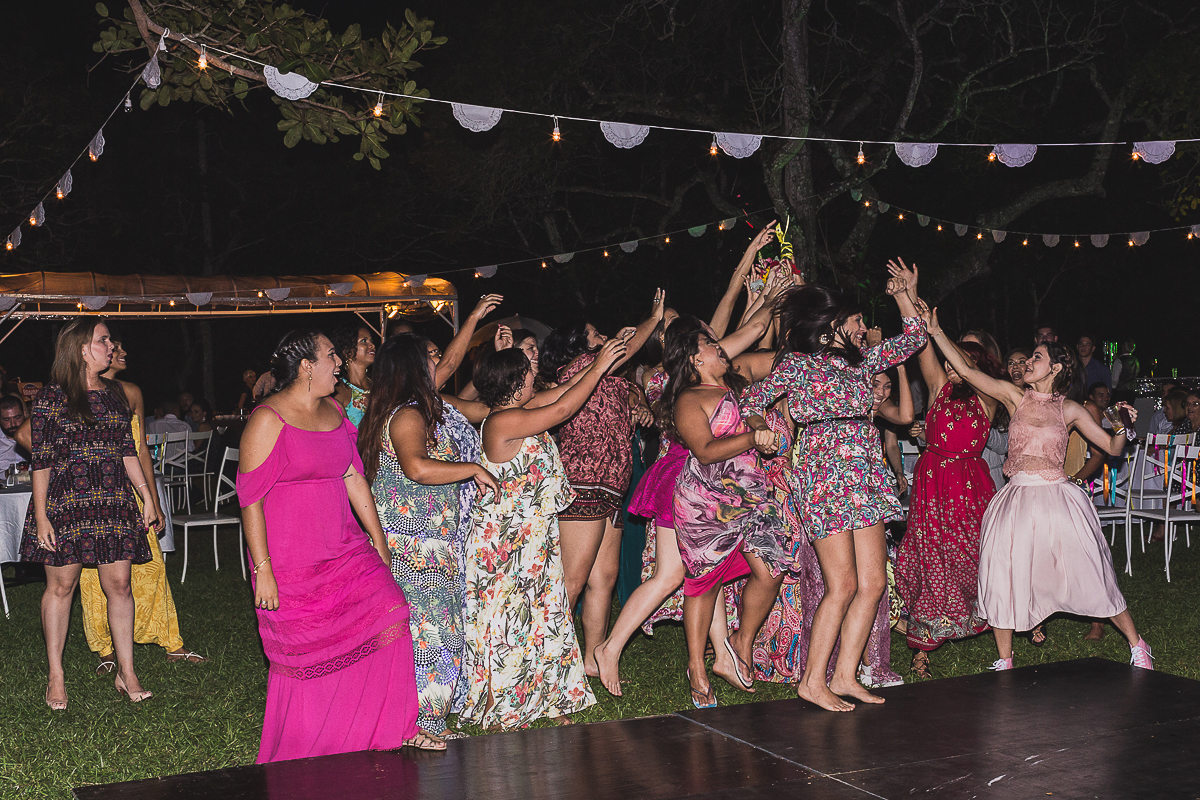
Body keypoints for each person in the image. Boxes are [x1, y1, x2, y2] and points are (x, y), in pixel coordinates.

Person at [237, 329, 439, 761]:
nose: (340, 364)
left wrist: (379, 542)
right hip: (292, 560)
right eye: (332, 356)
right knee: (309, 657)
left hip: (345, 548)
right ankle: (316, 745)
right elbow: (250, 499)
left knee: (392, 614)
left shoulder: (333, 411)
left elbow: (353, 477)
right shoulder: (267, 419)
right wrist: (263, 568)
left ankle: (394, 725)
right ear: (308, 366)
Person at [740, 258, 926, 712]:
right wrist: (759, 424)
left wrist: (903, 294)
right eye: (858, 320)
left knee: (874, 583)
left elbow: (916, 339)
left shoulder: (862, 366)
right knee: (841, 584)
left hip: (866, 477)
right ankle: (812, 681)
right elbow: (750, 398)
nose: (864, 328)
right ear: (833, 325)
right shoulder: (796, 366)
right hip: (824, 479)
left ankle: (845, 675)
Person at [594, 268, 789, 697]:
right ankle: (614, 650)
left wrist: (755, 288)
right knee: (675, 575)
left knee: (694, 573)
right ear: (686, 348)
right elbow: (751, 328)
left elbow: (741, 330)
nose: (713, 338)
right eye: (701, 336)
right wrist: (753, 284)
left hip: (703, 479)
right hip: (686, 478)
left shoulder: (695, 373)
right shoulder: (671, 383)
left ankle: (719, 654)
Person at [924, 319, 1153, 672]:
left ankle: (1138, 645)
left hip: (1057, 500)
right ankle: (1004, 659)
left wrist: (1123, 425)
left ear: (1056, 367)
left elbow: (1110, 446)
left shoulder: (1071, 409)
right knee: (1001, 572)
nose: (1028, 362)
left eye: (1036, 357)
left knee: (1091, 572)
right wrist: (936, 332)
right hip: (1015, 498)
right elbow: (969, 372)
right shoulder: (1015, 396)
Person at [460, 339, 628, 729]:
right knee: (509, 622)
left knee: (543, 617)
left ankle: (545, 698)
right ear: (517, 384)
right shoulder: (502, 421)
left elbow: (567, 393)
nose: (538, 377)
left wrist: (597, 367)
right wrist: (601, 362)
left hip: (533, 539)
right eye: (531, 375)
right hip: (505, 542)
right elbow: (566, 408)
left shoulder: (520, 410)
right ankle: (505, 704)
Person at [359, 333, 498, 740]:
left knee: (436, 630)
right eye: (433, 355)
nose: (441, 361)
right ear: (413, 368)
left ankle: (426, 721)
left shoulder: (416, 410)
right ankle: (420, 723)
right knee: (430, 633)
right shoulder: (407, 415)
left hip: (432, 543)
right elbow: (416, 467)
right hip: (415, 548)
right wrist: (471, 470)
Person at [18, 318, 160, 709]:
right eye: (103, 340)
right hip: (68, 505)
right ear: (82, 348)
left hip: (113, 502)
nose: (111, 346)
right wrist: (43, 515)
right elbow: (42, 460)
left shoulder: (116, 392)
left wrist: (146, 494)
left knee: (120, 587)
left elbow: (127, 449)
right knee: (60, 588)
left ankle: (126, 672)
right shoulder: (52, 397)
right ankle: (56, 676)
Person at [660, 316, 788, 707]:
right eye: (710, 344)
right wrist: (751, 437)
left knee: (772, 568)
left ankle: (740, 642)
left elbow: (756, 408)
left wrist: (761, 431)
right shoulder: (688, 399)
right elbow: (705, 451)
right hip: (706, 501)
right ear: (694, 359)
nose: (720, 347)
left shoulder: (738, 386)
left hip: (750, 493)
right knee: (704, 583)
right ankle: (697, 666)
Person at [537, 290, 665, 677]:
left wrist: (639, 404)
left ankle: (591, 659)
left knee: (603, 579)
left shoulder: (610, 375)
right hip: (585, 482)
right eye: (594, 334)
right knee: (571, 582)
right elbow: (625, 350)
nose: (603, 338)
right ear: (576, 344)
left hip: (612, 486)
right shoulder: (579, 368)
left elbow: (626, 381)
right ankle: (549, 667)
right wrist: (654, 316)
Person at [80, 336, 205, 672]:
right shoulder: (76, 391)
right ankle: (104, 647)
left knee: (150, 566)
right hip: (94, 496)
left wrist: (155, 500)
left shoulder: (131, 392)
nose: (119, 352)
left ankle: (169, 639)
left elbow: (141, 450)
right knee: (94, 574)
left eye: (119, 346)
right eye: (112, 346)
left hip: (132, 494)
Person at [895, 335, 1000, 679]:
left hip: (970, 483)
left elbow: (969, 371)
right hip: (934, 482)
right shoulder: (939, 387)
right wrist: (908, 300)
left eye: (960, 365)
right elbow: (923, 347)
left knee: (977, 552)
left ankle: (1004, 614)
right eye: (949, 364)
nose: (951, 369)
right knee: (932, 557)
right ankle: (923, 647)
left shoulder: (988, 396)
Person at [331, 324, 377, 428]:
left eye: (371, 341)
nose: (372, 346)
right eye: (364, 341)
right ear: (347, 350)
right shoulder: (339, 391)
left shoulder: (379, 385)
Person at [0, 394, 29, 470]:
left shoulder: (36, 436)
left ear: (24, 414)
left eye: (17, 417)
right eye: (7, 420)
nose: (13, 424)